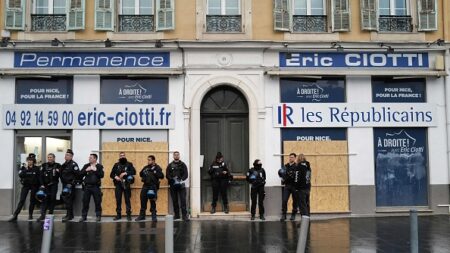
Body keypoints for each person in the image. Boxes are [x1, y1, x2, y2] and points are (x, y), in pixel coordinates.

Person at [8, 154, 40, 222]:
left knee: (32, 201)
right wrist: (26, 169)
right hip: (26, 186)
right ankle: (15, 215)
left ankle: (30, 215)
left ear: (33, 161)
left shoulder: (37, 168)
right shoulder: (24, 168)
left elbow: (39, 178)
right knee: (22, 200)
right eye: (28, 160)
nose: (29, 161)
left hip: (34, 186)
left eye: (31, 160)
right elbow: (21, 175)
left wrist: (41, 185)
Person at [136, 155, 164, 222]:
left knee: (152, 201)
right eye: (148, 160)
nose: (148, 161)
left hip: (152, 186)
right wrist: (144, 172)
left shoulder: (157, 168)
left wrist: (154, 172)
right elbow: (140, 174)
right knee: (143, 200)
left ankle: (154, 216)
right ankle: (142, 216)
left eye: (149, 160)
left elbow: (162, 176)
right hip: (145, 186)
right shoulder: (146, 167)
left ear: (153, 160)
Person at [110, 152, 136, 221]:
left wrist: (125, 173)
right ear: (119, 157)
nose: (122, 157)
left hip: (126, 184)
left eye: (123, 155)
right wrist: (116, 177)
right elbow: (111, 174)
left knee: (127, 200)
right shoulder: (116, 165)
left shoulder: (129, 164)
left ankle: (128, 215)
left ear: (125, 156)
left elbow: (134, 171)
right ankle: (118, 215)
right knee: (118, 200)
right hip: (118, 184)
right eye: (121, 156)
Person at [79, 153, 104, 222]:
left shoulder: (99, 166)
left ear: (95, 159)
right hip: (87, 187)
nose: (89, 159)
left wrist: (95, 170)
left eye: (91, 158)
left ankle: (98, 216)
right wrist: (86, 170)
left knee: (98, 202)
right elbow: (80, 174)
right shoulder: (86, 165)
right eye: (89, 158)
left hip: (96, 187)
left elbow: (102, 175)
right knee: (85, 202)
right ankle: (84, 216)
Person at [37, 153, 61, 222]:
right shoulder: (44, 165)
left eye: (51, 157)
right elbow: (40, 176)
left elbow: (61, 174)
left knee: (52, 198)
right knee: (45, 199)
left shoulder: (58, 165)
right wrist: (42, 184)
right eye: (48, 157)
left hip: (54, 184)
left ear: (54, 158)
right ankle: (43, 215)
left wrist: (58, 171)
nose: (49, 158)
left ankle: (50, 213)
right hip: (45, 185)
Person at [166, 151, 189, 221]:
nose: (176, 156)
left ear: (179, 156)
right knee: (175, 201)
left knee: (183, 200)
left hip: (181, 185)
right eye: (175, 155)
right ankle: (177, 215)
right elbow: (167, 175)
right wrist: (172, 179)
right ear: (173, 156)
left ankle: (184, 216)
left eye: (177, 155)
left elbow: (186, 174)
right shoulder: (170, 165)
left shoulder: (183, 164)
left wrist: (181, 179)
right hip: (173, 185)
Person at [60, 149, 80, 222]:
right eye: (66, 155)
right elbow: (61, 175)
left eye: (68, 155)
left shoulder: (74, 164)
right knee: (66, 200)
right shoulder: (64, 165)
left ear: (71, 157)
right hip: (64, 185)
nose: (66, 156)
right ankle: (69, 215)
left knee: (69, 200)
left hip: (70, 185)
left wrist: (72, 183)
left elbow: (78, 175)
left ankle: (69, 216)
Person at [280, 153, 300, 221]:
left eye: (292, 157)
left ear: (295, 158)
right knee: (284, 200)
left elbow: (297, 176)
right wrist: (283, 177)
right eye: (290, 157)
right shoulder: (286, 166)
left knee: (295, 201)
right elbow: (281, 174)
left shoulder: (297, 166)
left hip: (294, 186)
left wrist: (291, 175)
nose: (290, 158)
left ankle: (293, 214)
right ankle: (284, 214)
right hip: (287, 186)